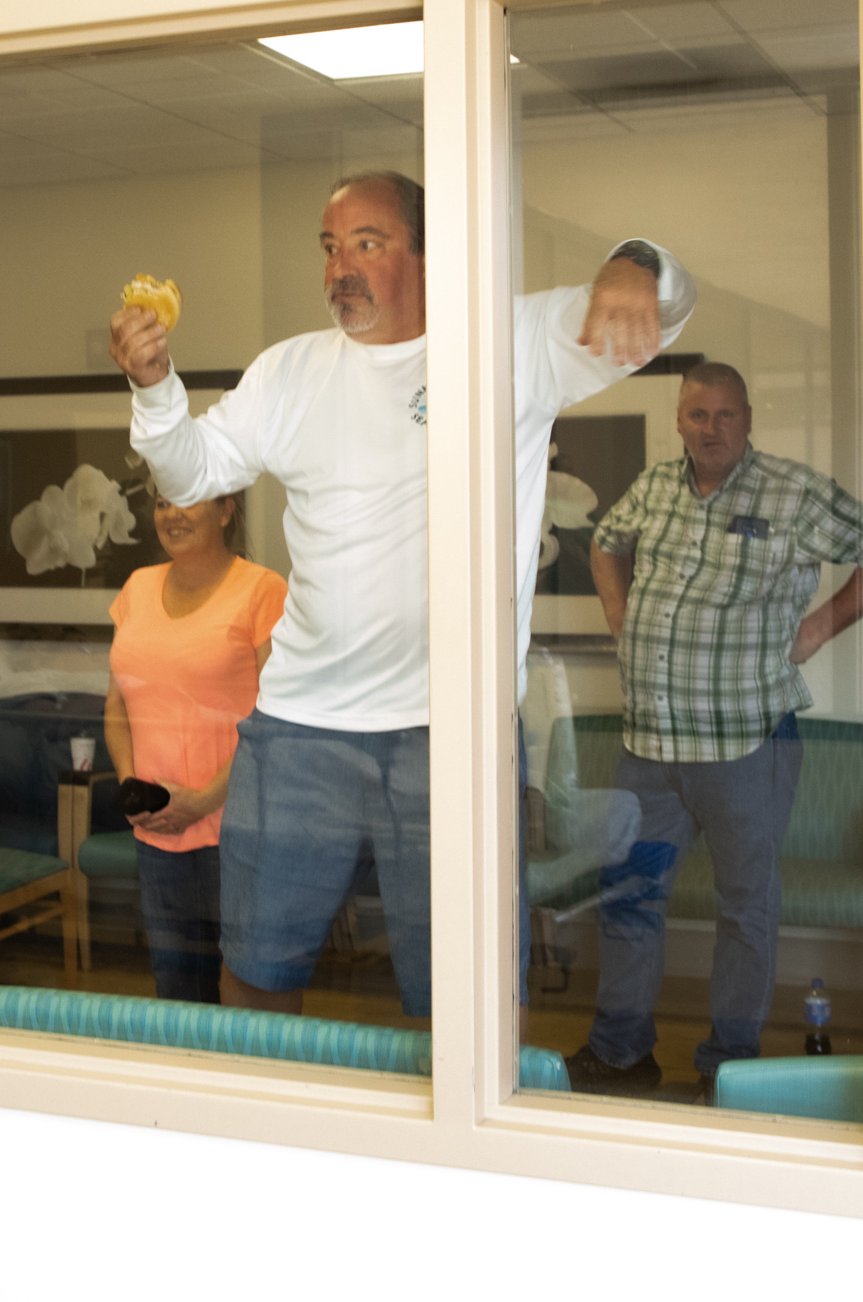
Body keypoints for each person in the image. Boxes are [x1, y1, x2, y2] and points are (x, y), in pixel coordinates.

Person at [110, 169, 693, 1016]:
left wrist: (639, 263)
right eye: (330, 246)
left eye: (368, 244)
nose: (340, 266)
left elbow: (670, 307)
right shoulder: (291, 372)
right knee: (255, 969)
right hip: (300, 729)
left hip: (445, 733)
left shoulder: (507, 343)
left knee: (464, 991)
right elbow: (193, 470)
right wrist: (155, 388)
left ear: (426, 254)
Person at [571, 363, 863, 1095]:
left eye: (725, 414)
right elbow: (606, 538)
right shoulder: (655, 486)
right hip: (649, 745)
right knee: (630, 896)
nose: (711, 427)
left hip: (745, 745)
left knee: (745, 910)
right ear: (679, 418)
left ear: (747, 418)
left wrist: (824, 623)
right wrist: (618, 610)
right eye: (698, 414)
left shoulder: (792, 491)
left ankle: (727, 1066)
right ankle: (619, 1050)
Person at [103, 487, 288, 1003]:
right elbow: (116, 710)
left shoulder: (261, 590)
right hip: (158, 832)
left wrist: (203, 800)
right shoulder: (137, 589)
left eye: (187, 499)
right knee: (178, 994)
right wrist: (132, 791)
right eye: (162, 503)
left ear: (227, 510)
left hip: (238, 830)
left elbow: (276, 721)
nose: (171, 514)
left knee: (246, 998)